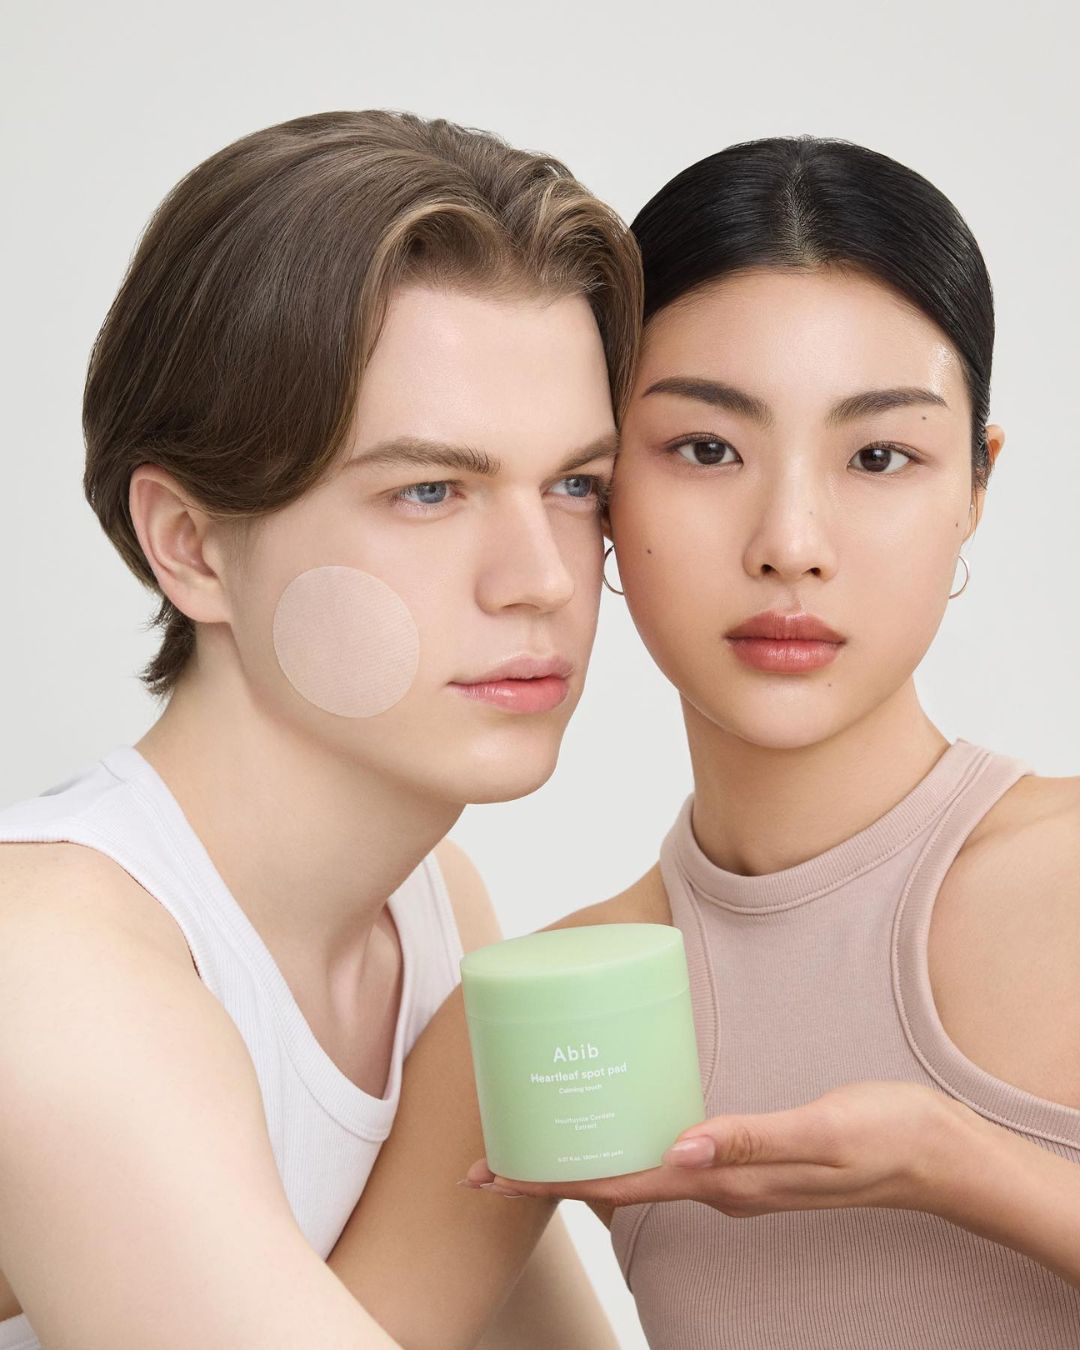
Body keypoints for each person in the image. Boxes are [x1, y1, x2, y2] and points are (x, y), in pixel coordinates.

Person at [330, 137, 1080, 1349]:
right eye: (707, 449)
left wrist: (952, 1162)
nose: (791, 543)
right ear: (602, 487)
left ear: (974, 490)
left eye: (879, 456)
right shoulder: (549, 1017)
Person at [0, 109, 641, 1349]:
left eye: (576, 484)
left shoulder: (433, 910)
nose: (543, 578)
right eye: (430, 490)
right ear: (190, 546)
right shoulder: (51, 969)